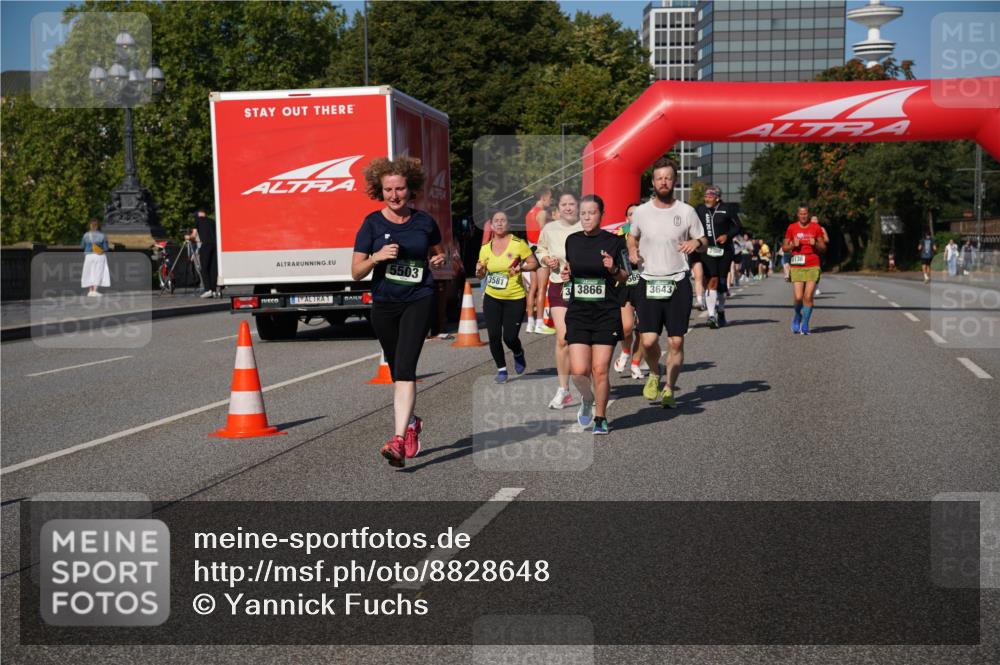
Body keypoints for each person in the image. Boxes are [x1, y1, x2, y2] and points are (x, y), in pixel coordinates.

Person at [352, 156, 446, 468]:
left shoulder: (424, 222)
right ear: (380, 191)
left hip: (419, 298)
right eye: (388, 189)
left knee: (405, 369)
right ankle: (412, 422)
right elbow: (355, 271)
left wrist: (439, 261)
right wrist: (376, 257)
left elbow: (439, 252)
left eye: (400, 189)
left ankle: (397, 440)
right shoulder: (371, 224)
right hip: (384, 304)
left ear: (411, 189)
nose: (395, 195)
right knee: (396, 371)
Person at [627, 157, 706, 408]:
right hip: (649, 280)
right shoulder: (641, 211)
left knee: (676, 341)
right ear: (653, 181)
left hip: (677, 280)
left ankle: (670, 388)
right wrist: (631, 250)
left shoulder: (686, 211)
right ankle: (654, 372)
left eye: (668, 177)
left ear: (675, 181)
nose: (664, 181)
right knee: (648, 341)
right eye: (659, 177)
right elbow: (632, 236)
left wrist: (696, 243)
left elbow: (703, 240)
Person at [561, 194, 628, 434]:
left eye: (592, 212)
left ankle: (600, 417)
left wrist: (614, 268)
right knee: (578, 371)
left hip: (606, 312)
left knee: (600, 370)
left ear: (601, 214)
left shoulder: (615, 242)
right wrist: (566, 276)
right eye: (583, 213)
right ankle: (587, 398)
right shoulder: (572, 240)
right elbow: (570, 271)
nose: (587, 217)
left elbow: (626, 276)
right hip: (579, 311)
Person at [475, 211, 539, 383]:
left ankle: (518, 352)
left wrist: (522, 268)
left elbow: (534, 263)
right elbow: (481, 275)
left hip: (515, 298)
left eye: (503, 220)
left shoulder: (518, 244)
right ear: (491, 225)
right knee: (494, 336)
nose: (500, 223)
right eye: (496, 221)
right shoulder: (485, 248)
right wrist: (479, 271)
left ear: (508, 224)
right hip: (492, 297)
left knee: (509, 337)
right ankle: (501, 369)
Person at [535, 191, 583, 409]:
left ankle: (584, 383)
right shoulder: (550, 228)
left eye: (571, 204)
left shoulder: (584, 226)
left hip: (583, 287)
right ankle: (563, 389)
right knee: (563, 338)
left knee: (581, 338)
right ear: (558, 208)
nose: (567, 208)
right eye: (563, 204)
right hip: (558, 285)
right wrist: (546, 258)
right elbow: (540, 249)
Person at [693, 185, 740, 329]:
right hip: (707, 250)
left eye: (710, 197)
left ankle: (721, 311)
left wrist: (728, 235)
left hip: (724, 250)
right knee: (711, 280)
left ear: (717, 198)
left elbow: (738, 226)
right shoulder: (700, 209)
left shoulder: (727, 208)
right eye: (706, 196)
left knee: (721, 282)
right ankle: (711, 315)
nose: (707, 199)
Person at [783, 204, 826, 335]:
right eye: (801, 214)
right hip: (797, 264)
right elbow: (784, 248)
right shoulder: (792, 227)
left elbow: (824, 248)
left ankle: (805, 324)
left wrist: (816, 244)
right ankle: (797, 316)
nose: (803, 216)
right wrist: (792, 245)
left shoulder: (816, 227)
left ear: (808, 214)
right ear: (798, 214)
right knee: (798, 296)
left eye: (805, 214)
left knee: (808, 296)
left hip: (813, 264)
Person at [614, 202, 646, 379]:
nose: (635, 217)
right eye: (631, 214)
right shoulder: (619, 239)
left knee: (642, 328)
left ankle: (635, 364)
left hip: (645, 285)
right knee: (626, 328)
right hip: (625, 286)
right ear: (627, 218)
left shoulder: (651, 236)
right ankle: (625, 351)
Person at [524, 187, 553, 334]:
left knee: (533, 287)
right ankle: (540, 323)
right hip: (540, 251)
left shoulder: (530, 212)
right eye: (550, 198)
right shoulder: (541, 212)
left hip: (531, 250)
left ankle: (530, 322)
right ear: (543, 197)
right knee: (541, 287)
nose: (551, 200)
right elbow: (544, 232)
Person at [185, 209, 219, 298]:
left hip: (206, 245)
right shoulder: (212, 221)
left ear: (199, 214)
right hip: (215, 246)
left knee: (204, 268)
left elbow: (194, 235)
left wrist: (188, 237)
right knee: (213, 269)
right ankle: (214, 290)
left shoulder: (197, 220)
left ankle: (208, 290)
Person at [80, 218, 110, 297]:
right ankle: (95, 291)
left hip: (88, 256)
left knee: (90, 272)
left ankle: (90, 290)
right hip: (99, 255)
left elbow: (82, 246)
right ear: (98, 226)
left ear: (90, 226)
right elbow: (106, 248)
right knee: (98, 272)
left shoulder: (86, 235)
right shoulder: (102, 235)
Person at [809, 216, 830, 295]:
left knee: (817, 270)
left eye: (816, 219)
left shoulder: (821, 229)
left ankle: (816, 286)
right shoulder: (806, 228)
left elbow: (827, 239)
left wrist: (819, 240)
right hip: (809, 251)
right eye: (813, 219)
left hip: (818, 252)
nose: (814, 221)